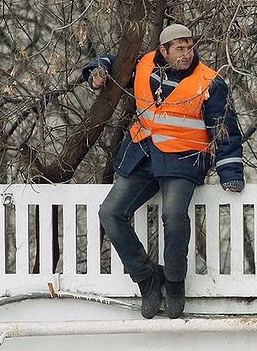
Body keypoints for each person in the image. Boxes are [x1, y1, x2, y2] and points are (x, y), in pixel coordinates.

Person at [84, 24, 245, 318]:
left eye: (189, 47)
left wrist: (230, 171)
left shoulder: (209, 82)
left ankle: (173, 282)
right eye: (180, 49)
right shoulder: (144, 65)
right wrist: (99, 70)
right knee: (110, 213)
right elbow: (113, 60)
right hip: (143, 153)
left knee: (173, 215)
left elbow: (225, 129)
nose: (186, 54)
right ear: (164, 51)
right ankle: (147, 280)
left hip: (184, 158)